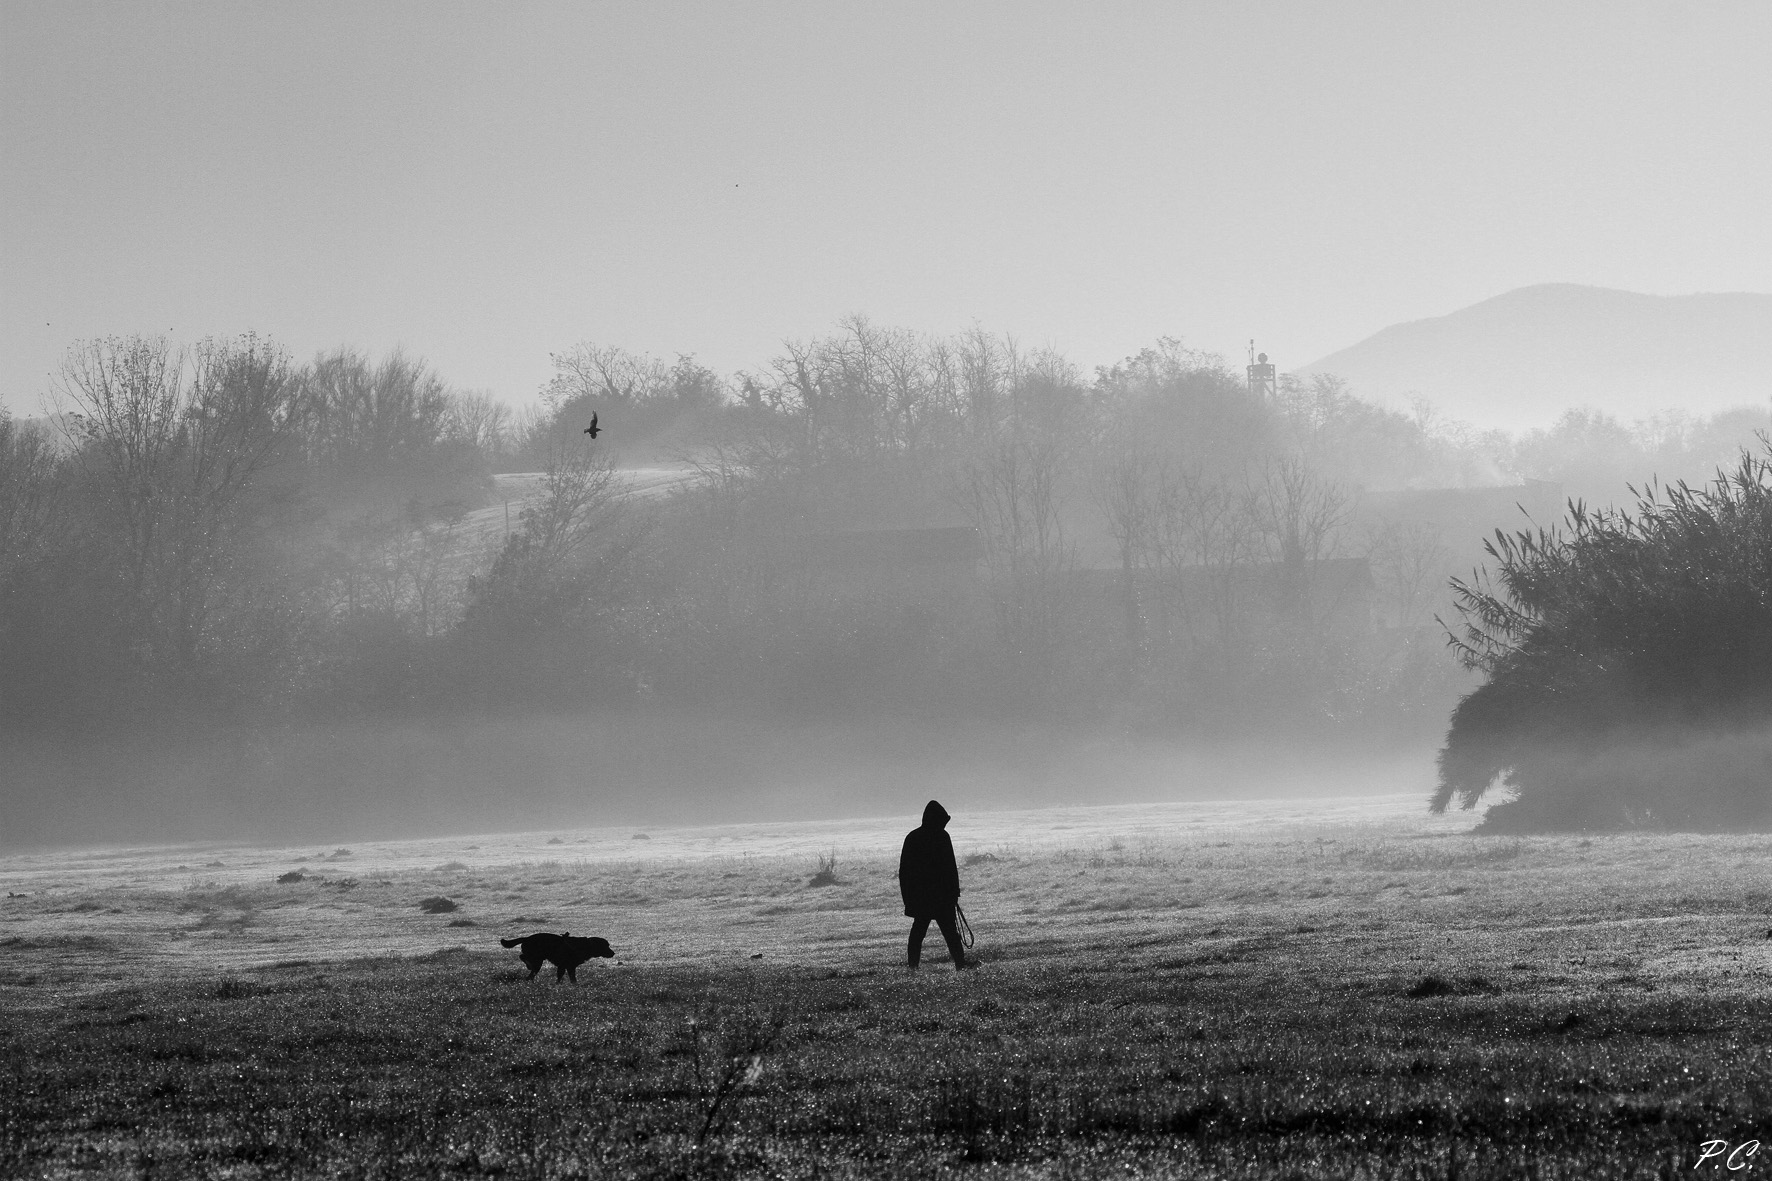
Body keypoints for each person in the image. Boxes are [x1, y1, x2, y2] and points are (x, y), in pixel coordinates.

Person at [898, 800, 971, 970]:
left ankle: (913, 967)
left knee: (918, 933)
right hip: (941, 896)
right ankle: (960, 964)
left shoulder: (913, 837)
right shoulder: (942, 837)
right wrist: (954, 892)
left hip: (921, 897)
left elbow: (905, 872)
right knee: (950, 932)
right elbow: (950, 868)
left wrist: (908, 897)